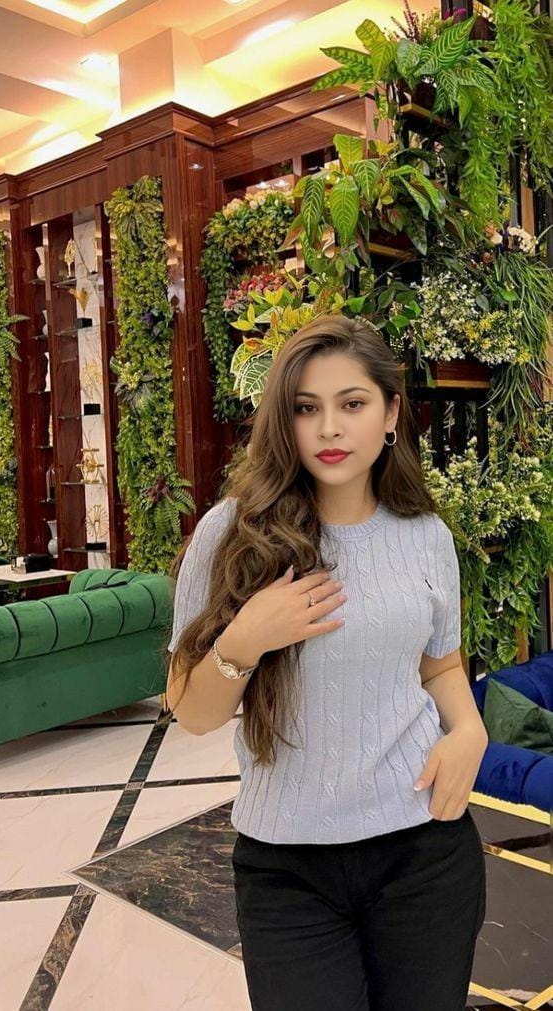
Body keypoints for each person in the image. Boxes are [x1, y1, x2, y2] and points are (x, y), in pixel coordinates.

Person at [165, 315, 488, 1011]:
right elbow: (189, 711)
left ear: (391, 413)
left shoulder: (426, 536)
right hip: (287, 870)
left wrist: (469, 730)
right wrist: (246, 638)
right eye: (306, 408)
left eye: (353, 403)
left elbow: (440, 667)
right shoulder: (231, 533)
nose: (330, 428)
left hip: (424, 850)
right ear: (283, 419)